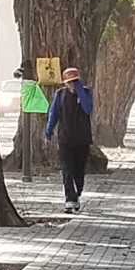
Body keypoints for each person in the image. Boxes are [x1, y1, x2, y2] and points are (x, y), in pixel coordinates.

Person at [45, 67, 94, 214]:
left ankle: (77, 193)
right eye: (70, 82)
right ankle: (70, 199)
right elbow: (54, 114)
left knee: (79, 171)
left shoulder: (86, 93)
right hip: (65, 139)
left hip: (82, 139)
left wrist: (80, 91)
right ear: (65, 83)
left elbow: (88, 109)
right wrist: (49, 131)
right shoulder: (60, 95)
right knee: (67, 170)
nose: (72, 85)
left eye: (75, 82)